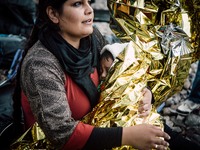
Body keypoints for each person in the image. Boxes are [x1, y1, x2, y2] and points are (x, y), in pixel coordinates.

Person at [16, 0, 171, 150]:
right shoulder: (41, 65)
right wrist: (128, 136)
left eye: (89, 1)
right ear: (53, 14)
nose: (89, 9)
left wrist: (146, 93)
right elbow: (61, 134)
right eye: (77, 4)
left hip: (105, 124)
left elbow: (121, 76)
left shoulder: (92, 38)